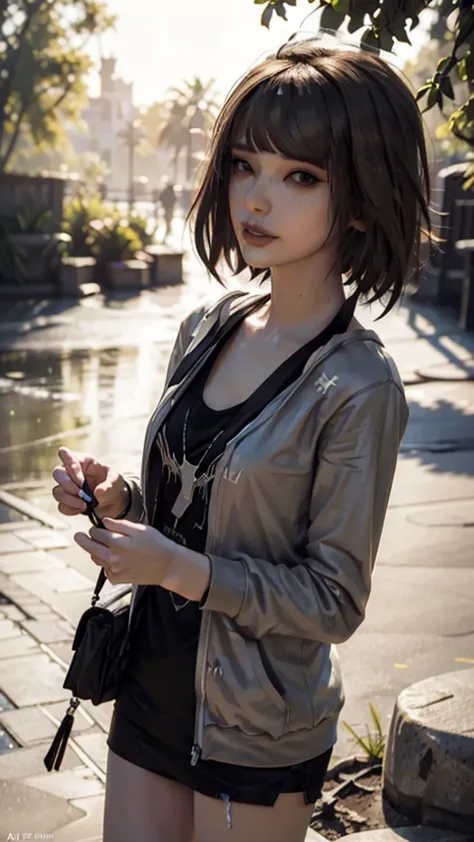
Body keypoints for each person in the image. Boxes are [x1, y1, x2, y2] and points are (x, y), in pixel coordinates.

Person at [52, 34, 432, 842]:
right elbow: (197, 504)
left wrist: (178, 569)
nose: (258, 198)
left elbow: (333, 600)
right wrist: (117, 497)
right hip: (149, 687)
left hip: (255, 728)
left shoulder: (359, 385)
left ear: (360, 196)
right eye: (244, 166)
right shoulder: (207, 324)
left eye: (301, 177)